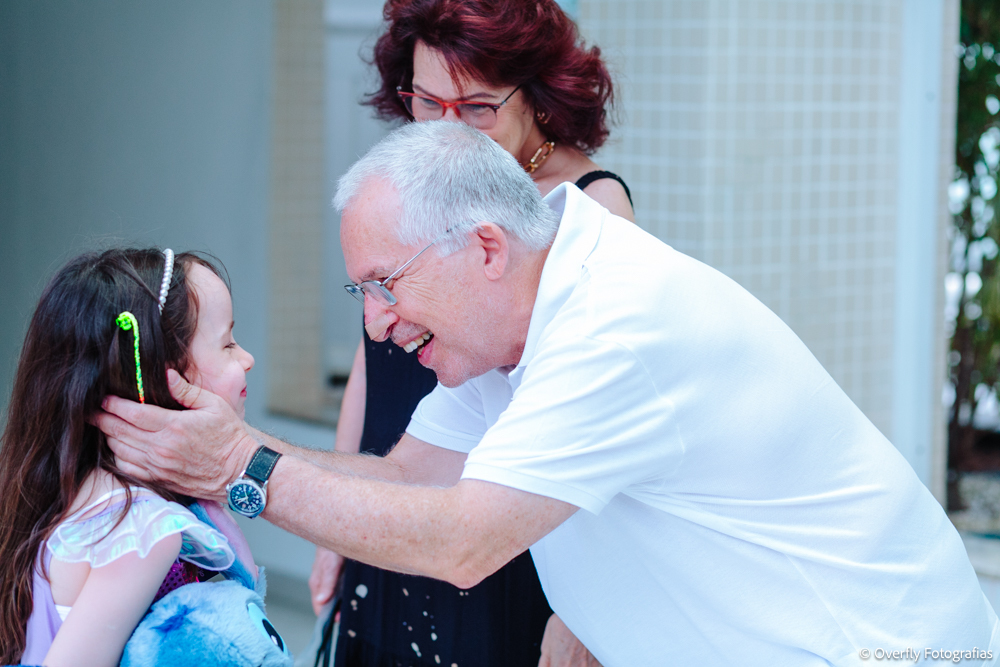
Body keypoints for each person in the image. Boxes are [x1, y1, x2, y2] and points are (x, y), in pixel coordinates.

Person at [97, 121, 999, 666]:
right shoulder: (504, 324)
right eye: (360, 293)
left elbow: (460, 541)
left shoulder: (615, 324)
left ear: (484, 247)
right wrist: (224, 453)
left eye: (385, 283)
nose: (375, 325)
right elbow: (411, 476)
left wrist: (237, 466)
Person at [311, 1, 632, 664]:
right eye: (428, 104)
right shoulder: (409, 180)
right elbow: (368, 368)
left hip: (485, 510)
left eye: (476, 108)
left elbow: (600, 416)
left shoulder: (589, 204)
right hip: (396, 478)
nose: (447, 130)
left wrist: (585, 609)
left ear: (536, 94)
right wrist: (332, 523)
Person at [0, 248, 258, 666]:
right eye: (227, 343)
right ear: (163, 376)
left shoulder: (74, 486)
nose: (247, 358)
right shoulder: (142, 531)